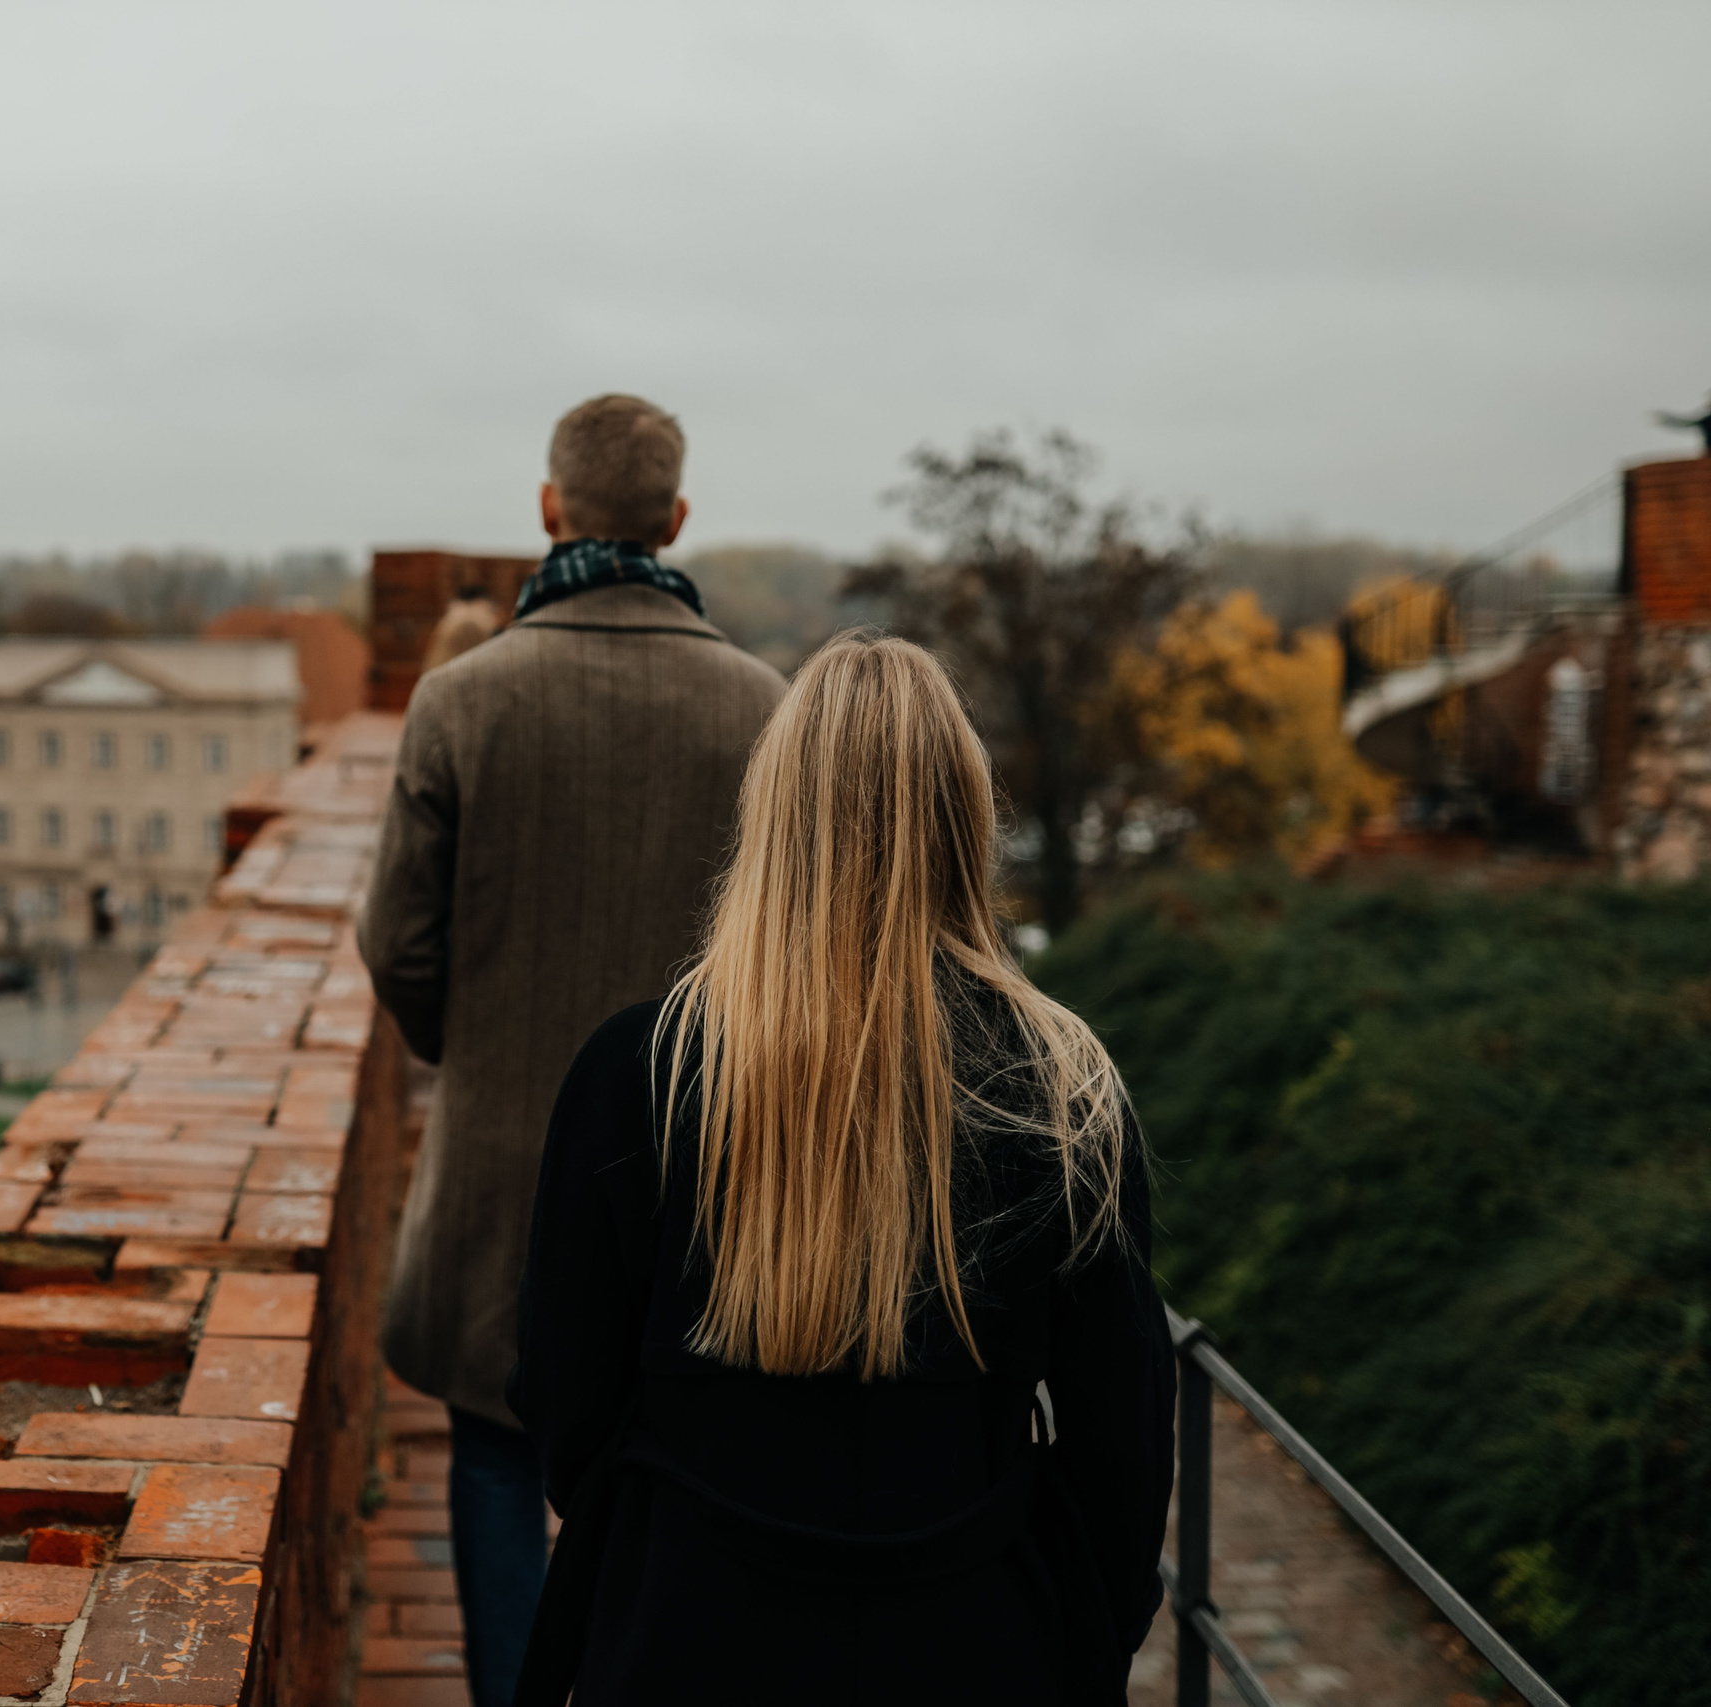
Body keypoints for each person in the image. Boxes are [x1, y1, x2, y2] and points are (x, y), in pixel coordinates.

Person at [509, 633, 1176, 1706]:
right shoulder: (1061, 1090)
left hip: (687, 1638)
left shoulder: (636, 1073)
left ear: (771, 815)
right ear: (968, 824)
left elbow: (562, 1404)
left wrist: (676, 1534)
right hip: (972, 1642)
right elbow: (1123, 1451)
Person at [359, 394, 787, 1706]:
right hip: (698, 1180)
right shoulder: (765, 709)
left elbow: (398, 945)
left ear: (549, 510)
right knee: (672, 1468)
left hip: (502, 1166)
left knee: (492, 1452)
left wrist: (474, 1051)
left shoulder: (459, 702)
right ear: (676, 519)